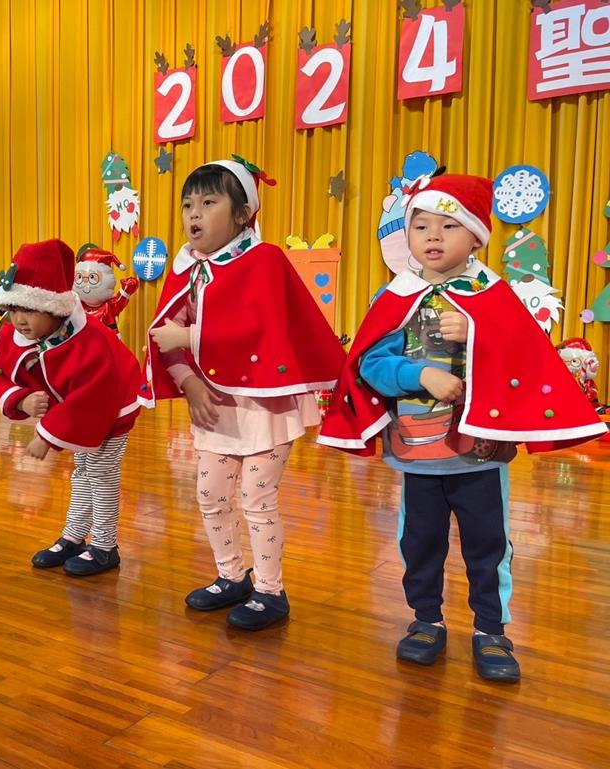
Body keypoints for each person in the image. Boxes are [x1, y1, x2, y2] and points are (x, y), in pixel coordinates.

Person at [319, 173, 606, 682]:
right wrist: (419, 374)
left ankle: (491, 630)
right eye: (421, 226)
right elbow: (369, 363)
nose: (432, 236)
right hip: (417, 454)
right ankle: (426, 619)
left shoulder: (492, 295)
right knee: (419, 543)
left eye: (448, 225)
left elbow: (522, 357)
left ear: (475, 237)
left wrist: (475, 332)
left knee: (487, 545)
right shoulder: (397, 295)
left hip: (480, 455)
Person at [144, 158, 345, 630]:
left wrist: (189, 337)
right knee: (210, 494)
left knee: (257, 499)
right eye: (187, 205)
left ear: (241, 214)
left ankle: (270, 591)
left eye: (208, 202)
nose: (194, 213)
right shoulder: (188, 269)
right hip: (215, 405)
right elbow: (163, 336)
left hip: (265, 407)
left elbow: (257, 328)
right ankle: (231, 576)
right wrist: (189, 383)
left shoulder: (264, 260)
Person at [0, 239, 142, 576]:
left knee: (100, 475)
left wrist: (47, 436)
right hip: (78, 412)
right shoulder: (17, 334)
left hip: (113, 409)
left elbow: (93, 396)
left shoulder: (90, 341)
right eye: (13, 310)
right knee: (82, 472)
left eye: (29, 310)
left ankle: (105, 546)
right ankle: (73, 536)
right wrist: (20, 398)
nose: (19, 320)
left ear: (55, 308)